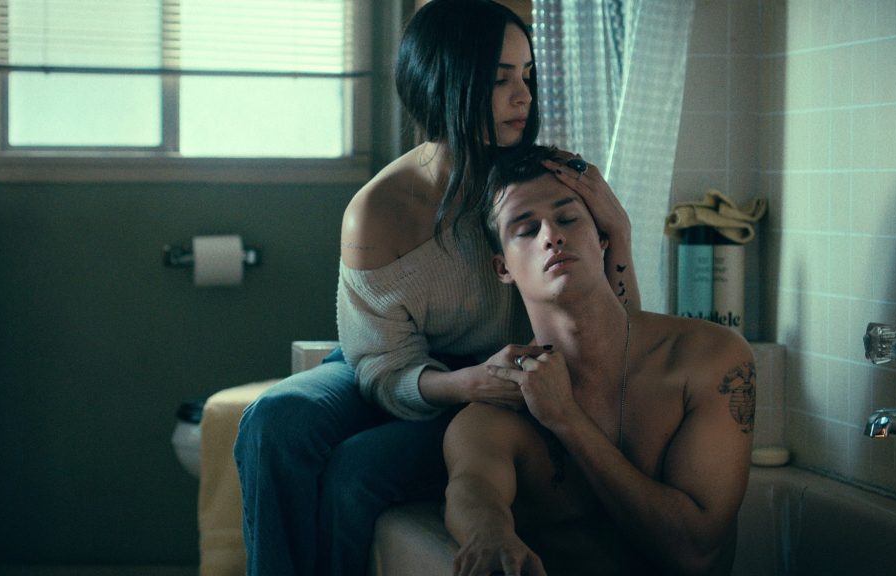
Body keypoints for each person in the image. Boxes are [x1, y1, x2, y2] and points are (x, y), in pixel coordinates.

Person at [233, 1, 640, 574]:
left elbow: (622, 336)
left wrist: (618, 230)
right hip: (396, 365)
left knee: (356, 470)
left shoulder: (546, 185)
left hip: (506, 382)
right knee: (275, 419)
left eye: (527, 76)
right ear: (444, 84)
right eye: (499, 79)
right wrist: (460, 382)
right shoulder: (380, 209)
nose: (523, 97)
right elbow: (379, 365)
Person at [444, 146, 755, 576]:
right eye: (526, 229)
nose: (551, 235)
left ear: (603, 238)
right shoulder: (493, 417)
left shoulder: (709, 360)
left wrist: (566, 418)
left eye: (568, 218)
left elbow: (696, 554)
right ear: (503, 268)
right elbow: (471, 491)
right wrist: (489, 533)